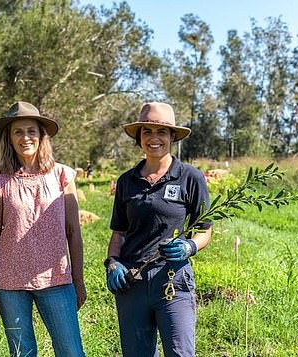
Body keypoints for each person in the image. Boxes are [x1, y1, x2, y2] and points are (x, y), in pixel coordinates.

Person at [0, 101, 87, 357]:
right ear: (9, 138)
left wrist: (78, 282)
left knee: (71, 352)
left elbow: (73, 231)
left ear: (41, 136)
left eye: (31, 131)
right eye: (18, 132)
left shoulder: (62, 176)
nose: (25, 137)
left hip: (56, 279)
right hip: (10, 284)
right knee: (22, 353)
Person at [105, 102, 213, 357]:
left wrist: (190, 246)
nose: (154, 138)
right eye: (147, 131)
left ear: (172, 137)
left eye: (162, 131)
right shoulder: (126, 181)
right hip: (133, 282)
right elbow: (119, 233)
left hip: (173, 281)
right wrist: (112, 263)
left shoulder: (190, 177)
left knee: (180, 352)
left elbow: (205, 229)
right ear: (139, 138)